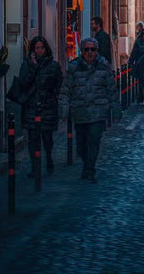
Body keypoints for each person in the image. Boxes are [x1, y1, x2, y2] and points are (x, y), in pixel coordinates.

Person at [59, 37, 121, 182]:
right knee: (81, 144)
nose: (89, 52)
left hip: (98, 111)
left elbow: (111, 90)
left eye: (92, 49)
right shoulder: (74, 67)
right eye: (86, 49)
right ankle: (87, 165)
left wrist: (116, 109)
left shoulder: (104, 66)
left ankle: (89, 169)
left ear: (97, 51)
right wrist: (63, 109)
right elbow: (66, 89)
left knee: (94, 141)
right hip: (80, 111)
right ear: (82, 51)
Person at [18, 36, 63, 177]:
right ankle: (34, 167)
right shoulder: (26, 65)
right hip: (31, 106)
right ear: (32, 50)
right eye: (37, 48)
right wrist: (32, 67)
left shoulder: (53, 66)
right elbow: (23, 83)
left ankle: (49, 159)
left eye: (41, 48)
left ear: (46, 49)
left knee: (47, 138)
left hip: (48, 106)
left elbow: (58, 84)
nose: (39, 51)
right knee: (33, 140)